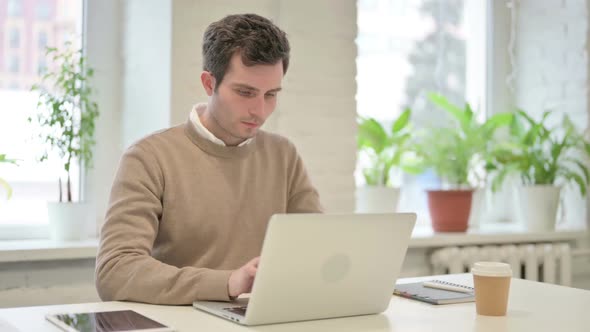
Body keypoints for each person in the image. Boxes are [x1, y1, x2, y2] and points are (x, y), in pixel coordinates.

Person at [95, 13, 323, 305]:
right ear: (208, 83)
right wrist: (228, 283)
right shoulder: (149, 157)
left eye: (271, 94)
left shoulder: (283, 155)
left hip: (262, 321)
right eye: (245, 92)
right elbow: (115, 271)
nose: (260, 110)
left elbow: (317, 250)